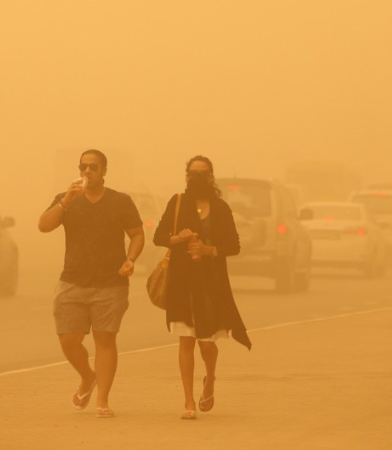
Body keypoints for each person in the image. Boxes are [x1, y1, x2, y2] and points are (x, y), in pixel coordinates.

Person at [38, 149, 144, 418]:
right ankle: (88, 376)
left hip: (110, 283)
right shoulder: (67, 199)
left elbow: (137, 234)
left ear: (104, 171)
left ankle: (103, 401)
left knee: (105, 339)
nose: (87, 171)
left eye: (93, 167)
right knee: (69, 340)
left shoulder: (120, 201)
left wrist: (130, 259)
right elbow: (44, 226)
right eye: (84, 166)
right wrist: (66, 201)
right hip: (72, 280)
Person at [152, 155, 252, 420]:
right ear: (186, 175)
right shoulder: (177, 203)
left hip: (211, 283)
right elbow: (159, 236)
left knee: (207, 343)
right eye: (192, 172)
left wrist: (209, 250)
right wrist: (177, 238)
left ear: (211, 177)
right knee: (186, 341)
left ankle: (210, 379)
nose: (197, 177)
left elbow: (234, 245)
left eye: (203, 172)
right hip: (182, 283)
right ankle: (188, 401)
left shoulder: (220, 208)